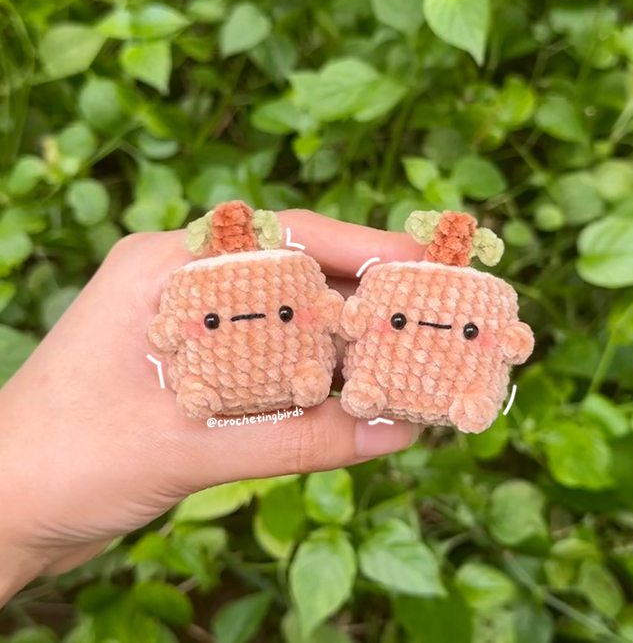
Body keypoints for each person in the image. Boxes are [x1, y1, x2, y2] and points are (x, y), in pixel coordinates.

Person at [0, 211, 425, 606]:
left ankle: (279, 379)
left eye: (284, 312)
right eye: (211, 321)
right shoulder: (196, 297)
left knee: (309, 373)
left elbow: (326, 310)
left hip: (296, 373)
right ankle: (213, 388)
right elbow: (166, 333)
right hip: (224, 383)